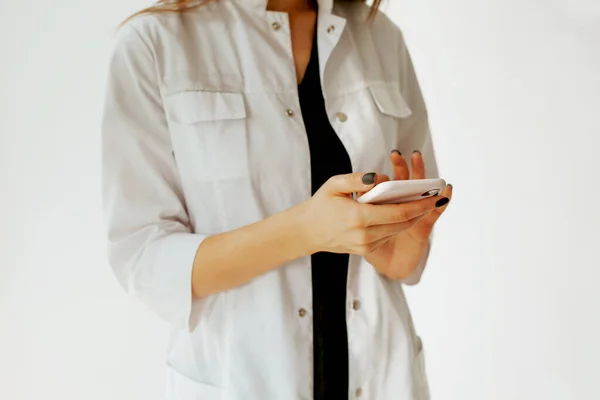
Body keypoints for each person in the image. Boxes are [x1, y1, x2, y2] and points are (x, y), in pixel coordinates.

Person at [101, 0, 452, 398]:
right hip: (241, 379)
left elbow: (403, 264)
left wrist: (402, 244)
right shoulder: (155, 43)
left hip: (384, 377)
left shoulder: (380, 36)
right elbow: (144, 258)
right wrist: (304, 231)